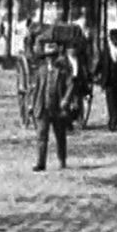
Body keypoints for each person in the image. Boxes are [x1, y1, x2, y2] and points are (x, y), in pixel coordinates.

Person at [30, 41, 74, 171]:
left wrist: (66, 99)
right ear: (45, 57)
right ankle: (41, 163)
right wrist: (31, 105)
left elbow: (71, 85)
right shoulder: (41, 70)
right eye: (48, 56)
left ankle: (62, 160)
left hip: (58, 108)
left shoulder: (63, 71)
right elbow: (36, 89)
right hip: (43, 107)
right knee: (41, 135)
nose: (51, 59)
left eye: (53, 56)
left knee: (60, 135)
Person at [93, 29, 117, 131]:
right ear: (111, 39)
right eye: (114, 39)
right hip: (108, 80)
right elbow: (100, 64)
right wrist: (95, 74)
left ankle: (114, 120)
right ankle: (113, 122)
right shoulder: (106, 52)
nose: (116, 41)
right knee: (110, 101)